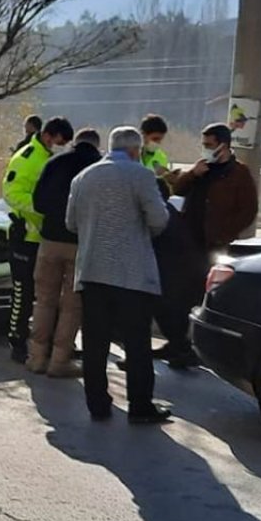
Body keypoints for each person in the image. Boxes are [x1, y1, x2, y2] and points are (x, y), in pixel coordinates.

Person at [66, 127, 171, 423]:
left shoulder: (83, 177)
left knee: (95, 342)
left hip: (91, 271)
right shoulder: (141, 175)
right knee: (137, 343)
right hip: (132, 275)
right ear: (136, 151)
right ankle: (140, 406)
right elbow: (159, 219)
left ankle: (97, 404)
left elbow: (71, 223)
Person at [156, 123, 258, 368]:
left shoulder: (238, 173)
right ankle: (177, 342)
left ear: (224, 145)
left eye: (210, 145)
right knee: (173, 296)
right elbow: (176, 188)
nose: (205, 149)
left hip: (213, 245)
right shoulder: (201, 168)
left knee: (199, 296)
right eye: (204, 144)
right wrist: (193, 173)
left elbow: (248, 210)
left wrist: (225, 233)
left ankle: (191, 348)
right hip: (185, 243)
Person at [27, 127, 101, 378]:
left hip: (49, 241)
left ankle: (36, 358)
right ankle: (59, 361)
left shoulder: (54, 161)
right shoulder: (98, 168)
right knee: (72, 305)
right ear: (96, 146)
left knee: (44, 300)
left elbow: (38, 202)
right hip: (80, 243)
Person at [3, 116, 74, 363]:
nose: (61, 146)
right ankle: (17, 341)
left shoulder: (52, 160)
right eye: (59, 141)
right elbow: (11, 193)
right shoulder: (27, 157)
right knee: (23, 292)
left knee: (48, 294)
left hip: (47, 237)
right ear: (47, 136)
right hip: (26, 236)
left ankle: (47, 341)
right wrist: (43, 209)